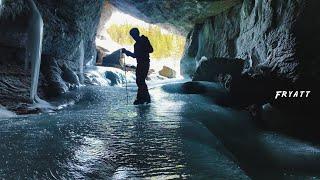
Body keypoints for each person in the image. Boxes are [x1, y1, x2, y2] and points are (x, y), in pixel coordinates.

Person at [122, 28, 153, 105]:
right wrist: (127, 52)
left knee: (140, 80)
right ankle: (142, 98)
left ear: (137, 34)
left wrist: (127, 52)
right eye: (132, 36)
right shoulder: (137, 44)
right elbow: (136, 55)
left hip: (144, 63)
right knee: (140, 81)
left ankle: (144, 98)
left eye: (133, 35)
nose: (133, 37)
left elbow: (150, 50)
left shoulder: (143, 41)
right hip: (141, 63)